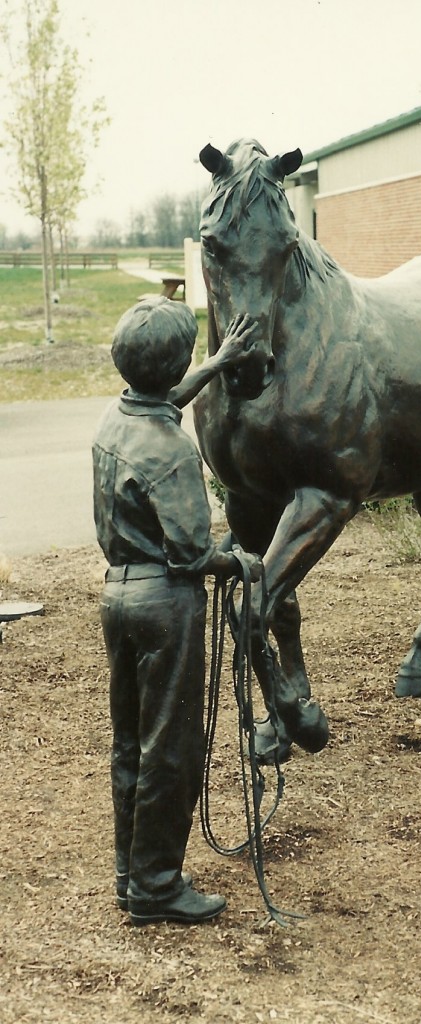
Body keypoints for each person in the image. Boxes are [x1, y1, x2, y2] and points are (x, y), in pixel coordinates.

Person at [92, 296, 261, 927]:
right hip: (167, 604)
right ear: (173, 363)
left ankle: (130, 873)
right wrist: (240, 560)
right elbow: (192, 553)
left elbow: (163, 400)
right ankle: (157, 885)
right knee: (173, 747)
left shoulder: (116, 419)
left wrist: (217, 362)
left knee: (132, 742)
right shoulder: (171, 452)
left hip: (119, 597)